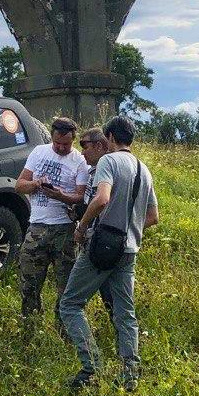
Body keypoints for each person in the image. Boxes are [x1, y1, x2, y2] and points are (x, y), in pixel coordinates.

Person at [59, 115, 159, 391]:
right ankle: (130, 375)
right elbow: (152, 216)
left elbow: (101, 199)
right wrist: (128, 228)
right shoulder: (143, 169)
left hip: (102, 247)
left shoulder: (108, 161)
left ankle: (91, 366)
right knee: (125, 312)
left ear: (111, 138)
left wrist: (82, 226)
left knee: (70, 304)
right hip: (129, 249)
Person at [15, 117, 89, 333]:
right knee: (29, 282)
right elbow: (20, 185)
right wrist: (36, 184)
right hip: (37, 226)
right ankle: (30, 326)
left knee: (65, 285)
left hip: (64, 230)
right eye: (57, 143)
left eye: (66, 144)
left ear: (73, 141)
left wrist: (61, 196)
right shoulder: (39, 152)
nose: (61, 147)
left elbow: (80, 197)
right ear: (52, 137)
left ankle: (64, 330)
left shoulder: (79, 162)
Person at [75, 128, 115, 317]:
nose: (82, 151)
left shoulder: (106, 170)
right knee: (110, 293)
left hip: (100, 240)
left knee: (71, 300)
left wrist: (82, 228)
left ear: (100, 145)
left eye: (85, 145)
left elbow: (101, 201)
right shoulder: (93, 171)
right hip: (102, 240)